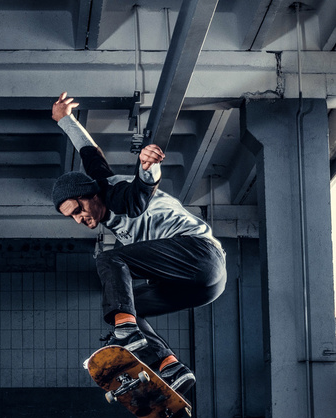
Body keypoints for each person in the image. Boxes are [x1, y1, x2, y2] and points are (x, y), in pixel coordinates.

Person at [51, 92, 227, 394]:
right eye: (72, 218)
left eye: (78, 210)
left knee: (109, 259)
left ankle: (126, 330)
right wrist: (64, 120)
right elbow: (90, 153)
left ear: (91, 195)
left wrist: (147, 169)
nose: (79, 220)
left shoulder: (116, 195)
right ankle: (170, 365)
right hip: (203, 287)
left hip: (200, 255)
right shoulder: (99, 183)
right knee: (134, 305)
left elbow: (138, 197)